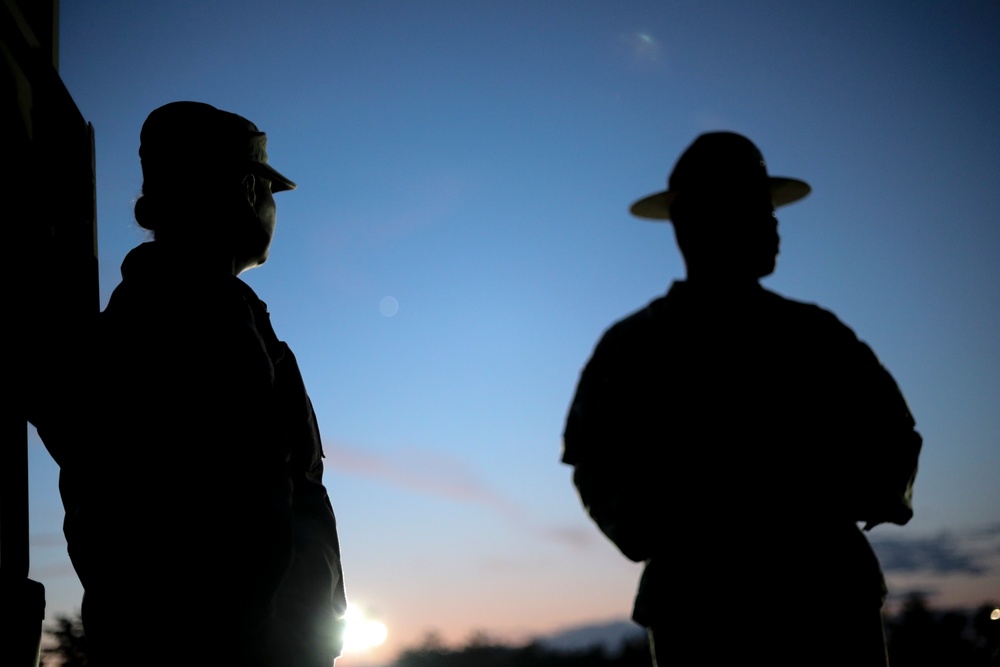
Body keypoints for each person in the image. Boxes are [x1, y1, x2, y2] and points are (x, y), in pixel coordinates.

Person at [561, 132, 922, 666]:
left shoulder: (819, 335)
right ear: (695, 224)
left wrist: (835, 491)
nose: (774, 225)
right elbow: (596, 464)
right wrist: (685, 523)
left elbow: (895, 441)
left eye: (770, 210)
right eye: (755, 208)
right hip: (704, 612)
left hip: (824, 601)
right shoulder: (632, 348)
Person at [30, 101, 347, 666]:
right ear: (248, 190)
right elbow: (242, 497)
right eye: (271, 192)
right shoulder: (202, 311)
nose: (275, 211)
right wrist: (269, 641)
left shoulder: (149, 311)